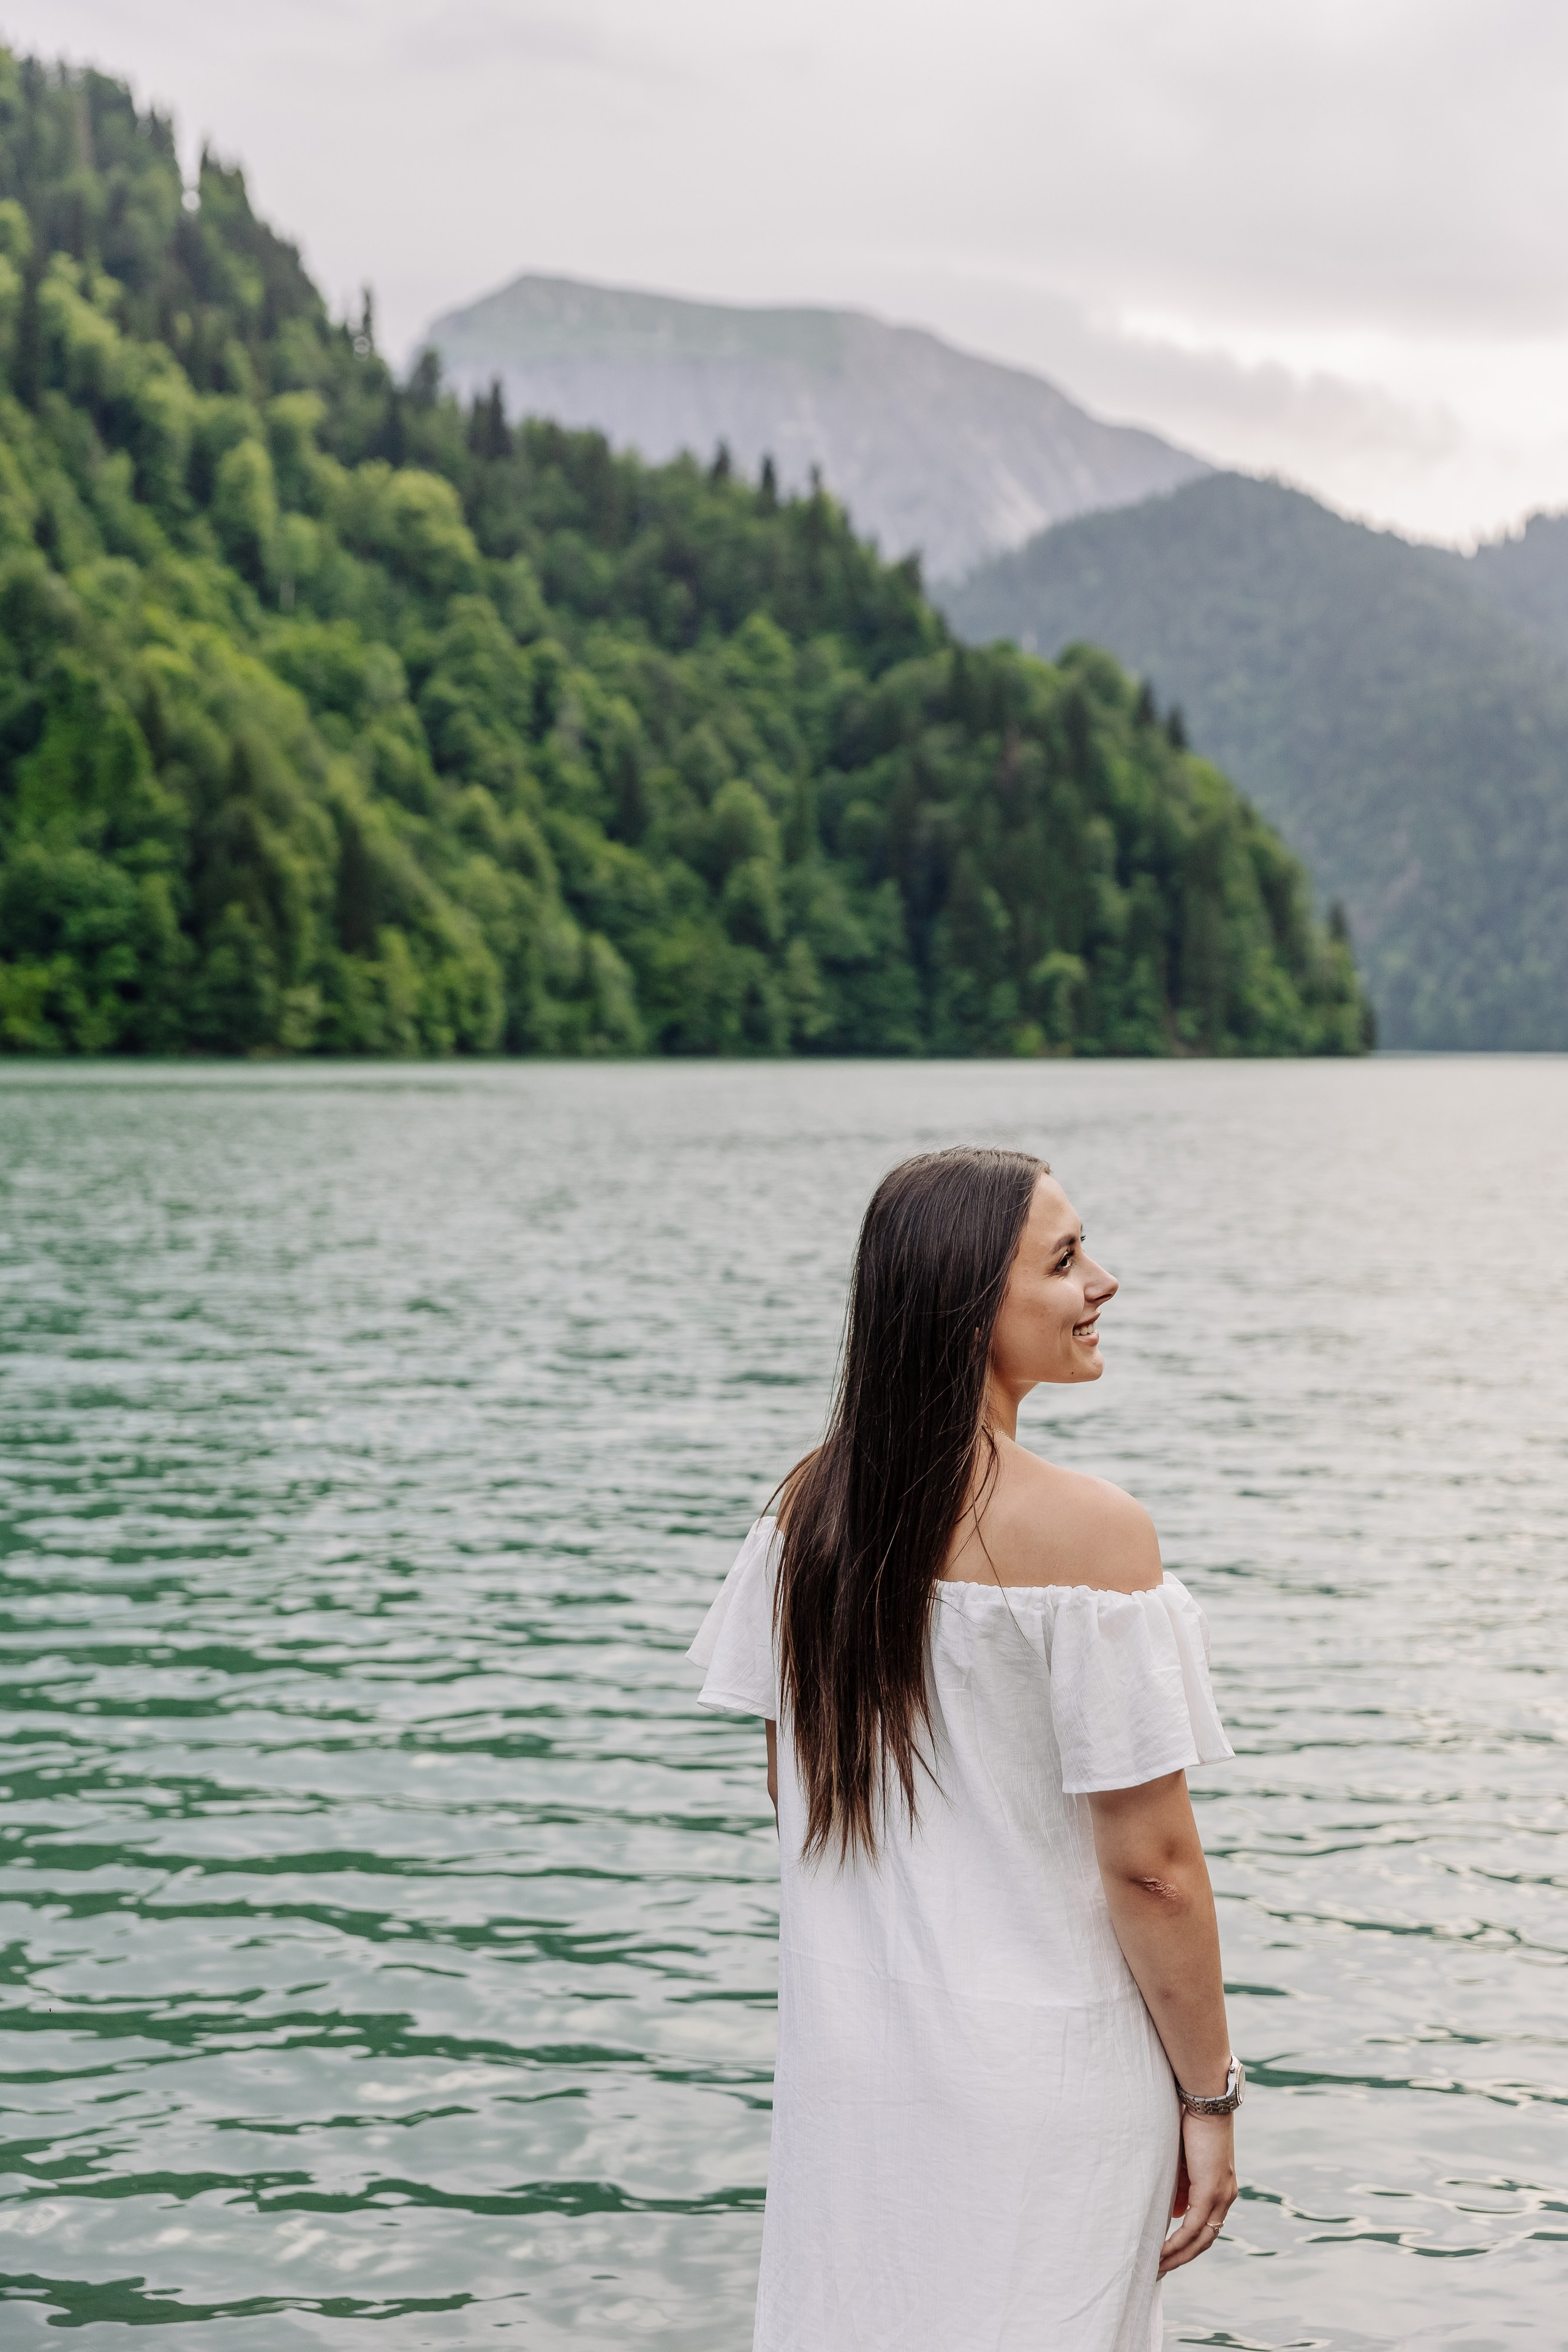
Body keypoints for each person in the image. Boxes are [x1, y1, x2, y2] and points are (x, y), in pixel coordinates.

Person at [689, 1147, 1239, 2351]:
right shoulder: (1095, 1535)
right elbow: (1151, 1867)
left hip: (856, 2074)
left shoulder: (807, 1511)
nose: (1103, 1281)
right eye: (1062, 1260)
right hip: (1047, 2074)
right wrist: (1210, 2095)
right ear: (959, 1305)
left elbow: (795, 1793)